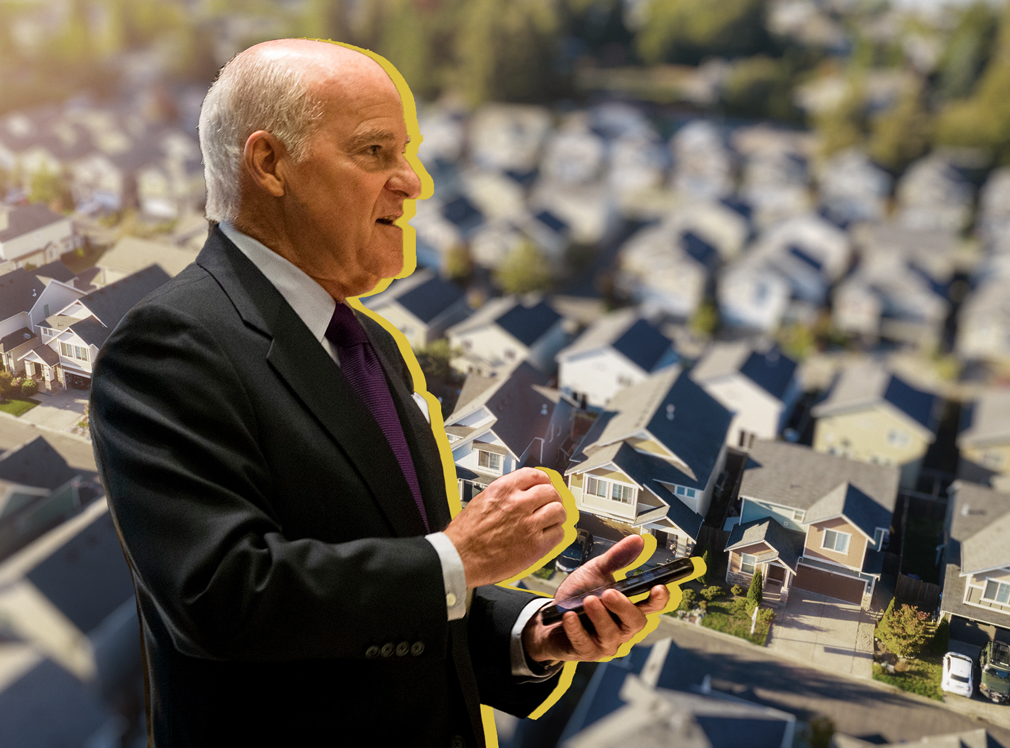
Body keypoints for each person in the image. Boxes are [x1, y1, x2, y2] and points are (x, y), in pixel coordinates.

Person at [90, 38, 670, 748]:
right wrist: (462, 558)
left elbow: (404, 584)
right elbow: (219, 598)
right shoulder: (170, 346)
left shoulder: (370, 345)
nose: (412, 182)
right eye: (373, 152)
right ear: (269, 164)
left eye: (406, 153)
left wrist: (535, 631)